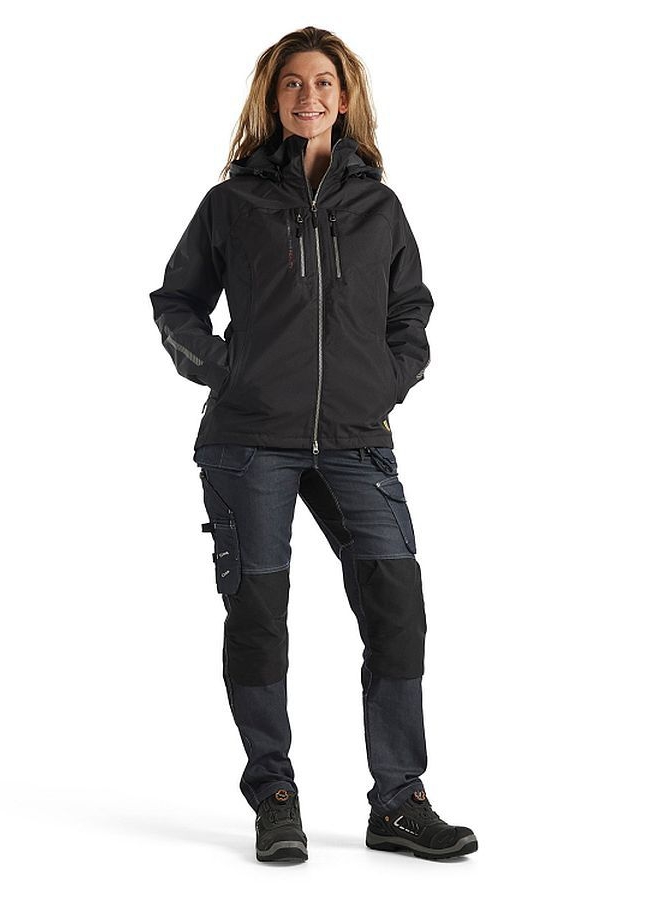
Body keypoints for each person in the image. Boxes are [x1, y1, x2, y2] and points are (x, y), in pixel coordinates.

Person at [150, 25, 477, 863]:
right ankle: (275, 794)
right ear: (272, 96)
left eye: (323, 82)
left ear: (345, 95)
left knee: (396, 605)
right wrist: (226, 371)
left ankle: (399, 802)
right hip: (250, 441)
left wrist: (388, 380)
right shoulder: (232, 204)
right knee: (259, 617)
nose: (309, 96)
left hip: (357, 441)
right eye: (292, 83)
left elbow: (411, 311)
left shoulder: (379, 207)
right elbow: (176, 300)